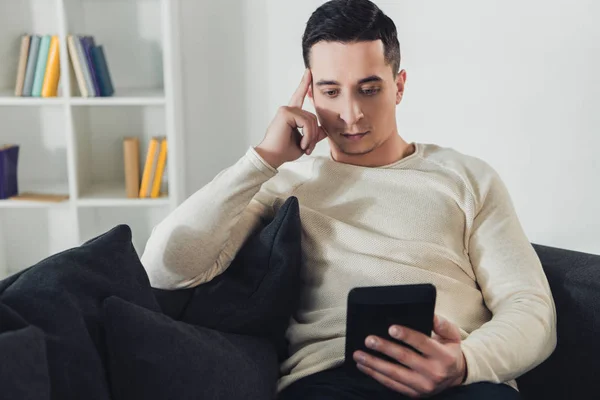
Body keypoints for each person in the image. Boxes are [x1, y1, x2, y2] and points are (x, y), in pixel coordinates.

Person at [141, 0, 557, 398]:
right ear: (310, 94)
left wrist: (465, 361)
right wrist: (262, 160)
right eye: (331, 91)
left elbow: (530, 307)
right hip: (332, 380)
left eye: (369, 89)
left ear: (399, 85)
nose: (352, 113)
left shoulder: (468, 177)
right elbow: (165, 268)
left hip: (460, 378)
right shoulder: (284, 184)